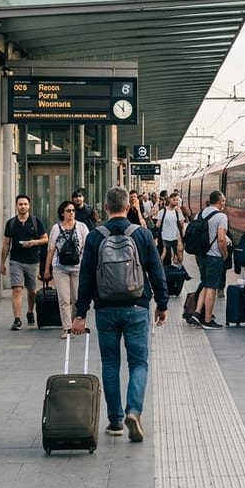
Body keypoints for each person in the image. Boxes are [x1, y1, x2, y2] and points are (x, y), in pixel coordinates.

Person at [72, 186, 168, 443]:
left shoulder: (95, 237)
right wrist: (162, 304)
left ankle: (115, 421)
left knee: (110, 364)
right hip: (137, 306)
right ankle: (134, 410)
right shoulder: (142, 235)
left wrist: (80, 314)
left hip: (105, 308)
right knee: (138, 363)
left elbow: (86, 279)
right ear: (128, 207)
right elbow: (156, 272)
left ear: (105, 208)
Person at [41, 200, 89, 338]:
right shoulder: (56, 228)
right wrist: (46, 270)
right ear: (62, 213)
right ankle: (66, 328)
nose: (71, 213)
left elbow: (88, 247)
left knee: (77, 299)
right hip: (59, 268)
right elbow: (51, 250)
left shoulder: (82, 227)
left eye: (73, 210)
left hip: (78, 267)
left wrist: (88, 266)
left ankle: (74, 323)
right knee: (64, 299)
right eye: (68, 211)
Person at [0, 194, 48, 330]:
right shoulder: (11, 223)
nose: (23, 206)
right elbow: (6, 243)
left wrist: (33, 242)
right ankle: (17, 319)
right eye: (20, 204)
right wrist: (2, 262)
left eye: (25, 204)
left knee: (32, 290)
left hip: (32, 261)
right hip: (16, 260)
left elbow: (45, 239)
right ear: (16, 206)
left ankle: (30, 311)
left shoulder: (35, 221)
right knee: (16, 289)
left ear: (29, 205)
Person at [190, 191, 228, 329]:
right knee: (212, 287)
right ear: (219, 201)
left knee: (205, 284)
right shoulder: (221, 217)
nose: (224, 203)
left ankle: (197, 313)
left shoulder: (200, 213)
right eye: (223, 201)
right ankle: (207, 320)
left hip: (200, 255)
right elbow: (221, 238)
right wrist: (225, 254)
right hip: (214, 257)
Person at [155, 193, 186, 267]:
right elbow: (157, 225)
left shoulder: (177, 212)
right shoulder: (162, 211)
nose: (176, 201)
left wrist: (183, 238)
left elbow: (182, 225)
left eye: (177, 200)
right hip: (164, 238)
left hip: (175, 238)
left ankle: (177, 272)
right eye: (174, 199)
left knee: (179, 258)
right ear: (169, 199)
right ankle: (164, 272)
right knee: (165, 258)